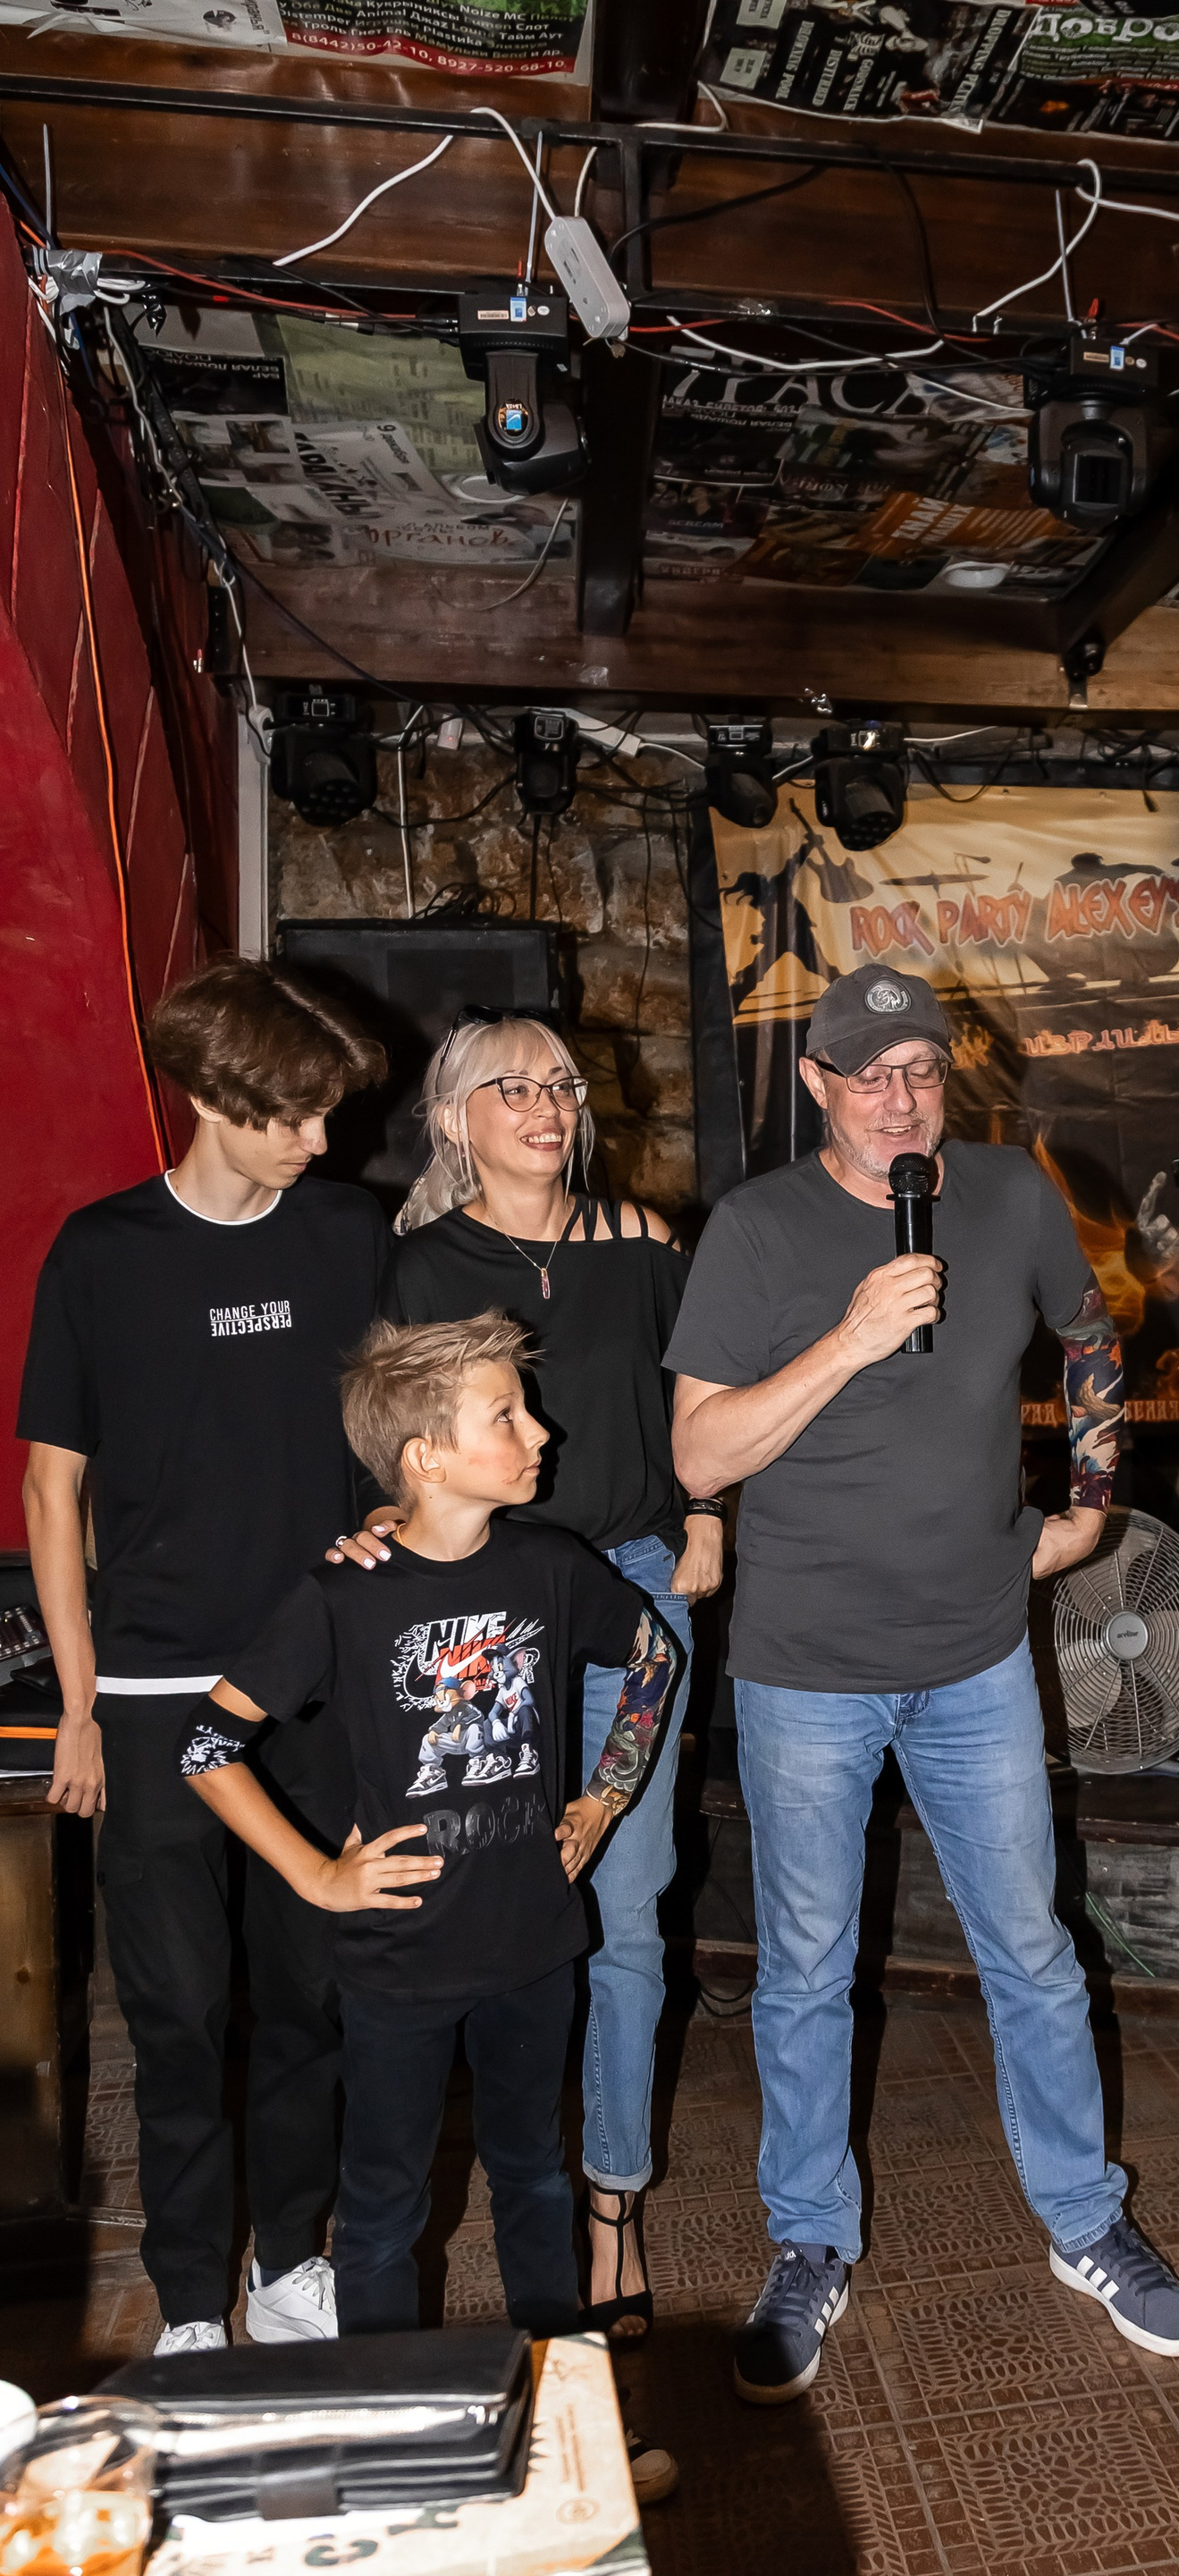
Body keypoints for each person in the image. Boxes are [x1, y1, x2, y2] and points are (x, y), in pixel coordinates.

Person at [666, 962, 1179, 2403]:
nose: (901, 1100)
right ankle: (808, 2242)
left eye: (921, 1072)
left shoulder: (1013, 1193)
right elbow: (701, 1454)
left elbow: (1090, 1336)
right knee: (805, 1973)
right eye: (870, 1075)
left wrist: (1090, 1498)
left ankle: (1086, 2220)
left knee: (1030, 1949)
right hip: (807, 1668)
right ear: (817, 1085)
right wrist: (851, 1334)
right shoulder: (758, 1229)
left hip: (975, 1653)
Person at [330, 1009, 720, 2339]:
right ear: (454, 1119)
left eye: (561, 1085)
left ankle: (612, 2197)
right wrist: (375, 1524)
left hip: (631, 1592)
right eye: (513, 1087)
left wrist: (707, 1514)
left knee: (625, 1906)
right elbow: (392, 1440)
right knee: (493, 1897)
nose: (548, 1106)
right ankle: (503, 2181)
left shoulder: (646, 1243)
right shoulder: (420, 1263)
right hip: (483, 1615)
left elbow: (700, 1406)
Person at [18, 958, 388, 2352]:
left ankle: (291, 2262)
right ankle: (188, 2302)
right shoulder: (101, 1252)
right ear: (215, 1101)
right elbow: (52, 1488)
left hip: (314, 1686)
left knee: (310, 1995)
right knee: (178, 2014)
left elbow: (393, 1429)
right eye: (295, 1115)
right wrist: (78, 1704)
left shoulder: (347, 1231)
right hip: (155, 1689)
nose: (321, 1139)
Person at [178, 1312, 679, 2338]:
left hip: (533, 1943)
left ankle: (555, 2392)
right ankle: (390, 2410)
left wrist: (605, 1797)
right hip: (399, 1963)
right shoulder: (342, 1594)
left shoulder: (549, 1563)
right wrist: (317, 1875)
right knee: (381, 2211)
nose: (541, 1432)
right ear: (426, 1457)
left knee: (533, 2174)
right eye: (507, 1415)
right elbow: (205, 1748)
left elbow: (654, 1655)